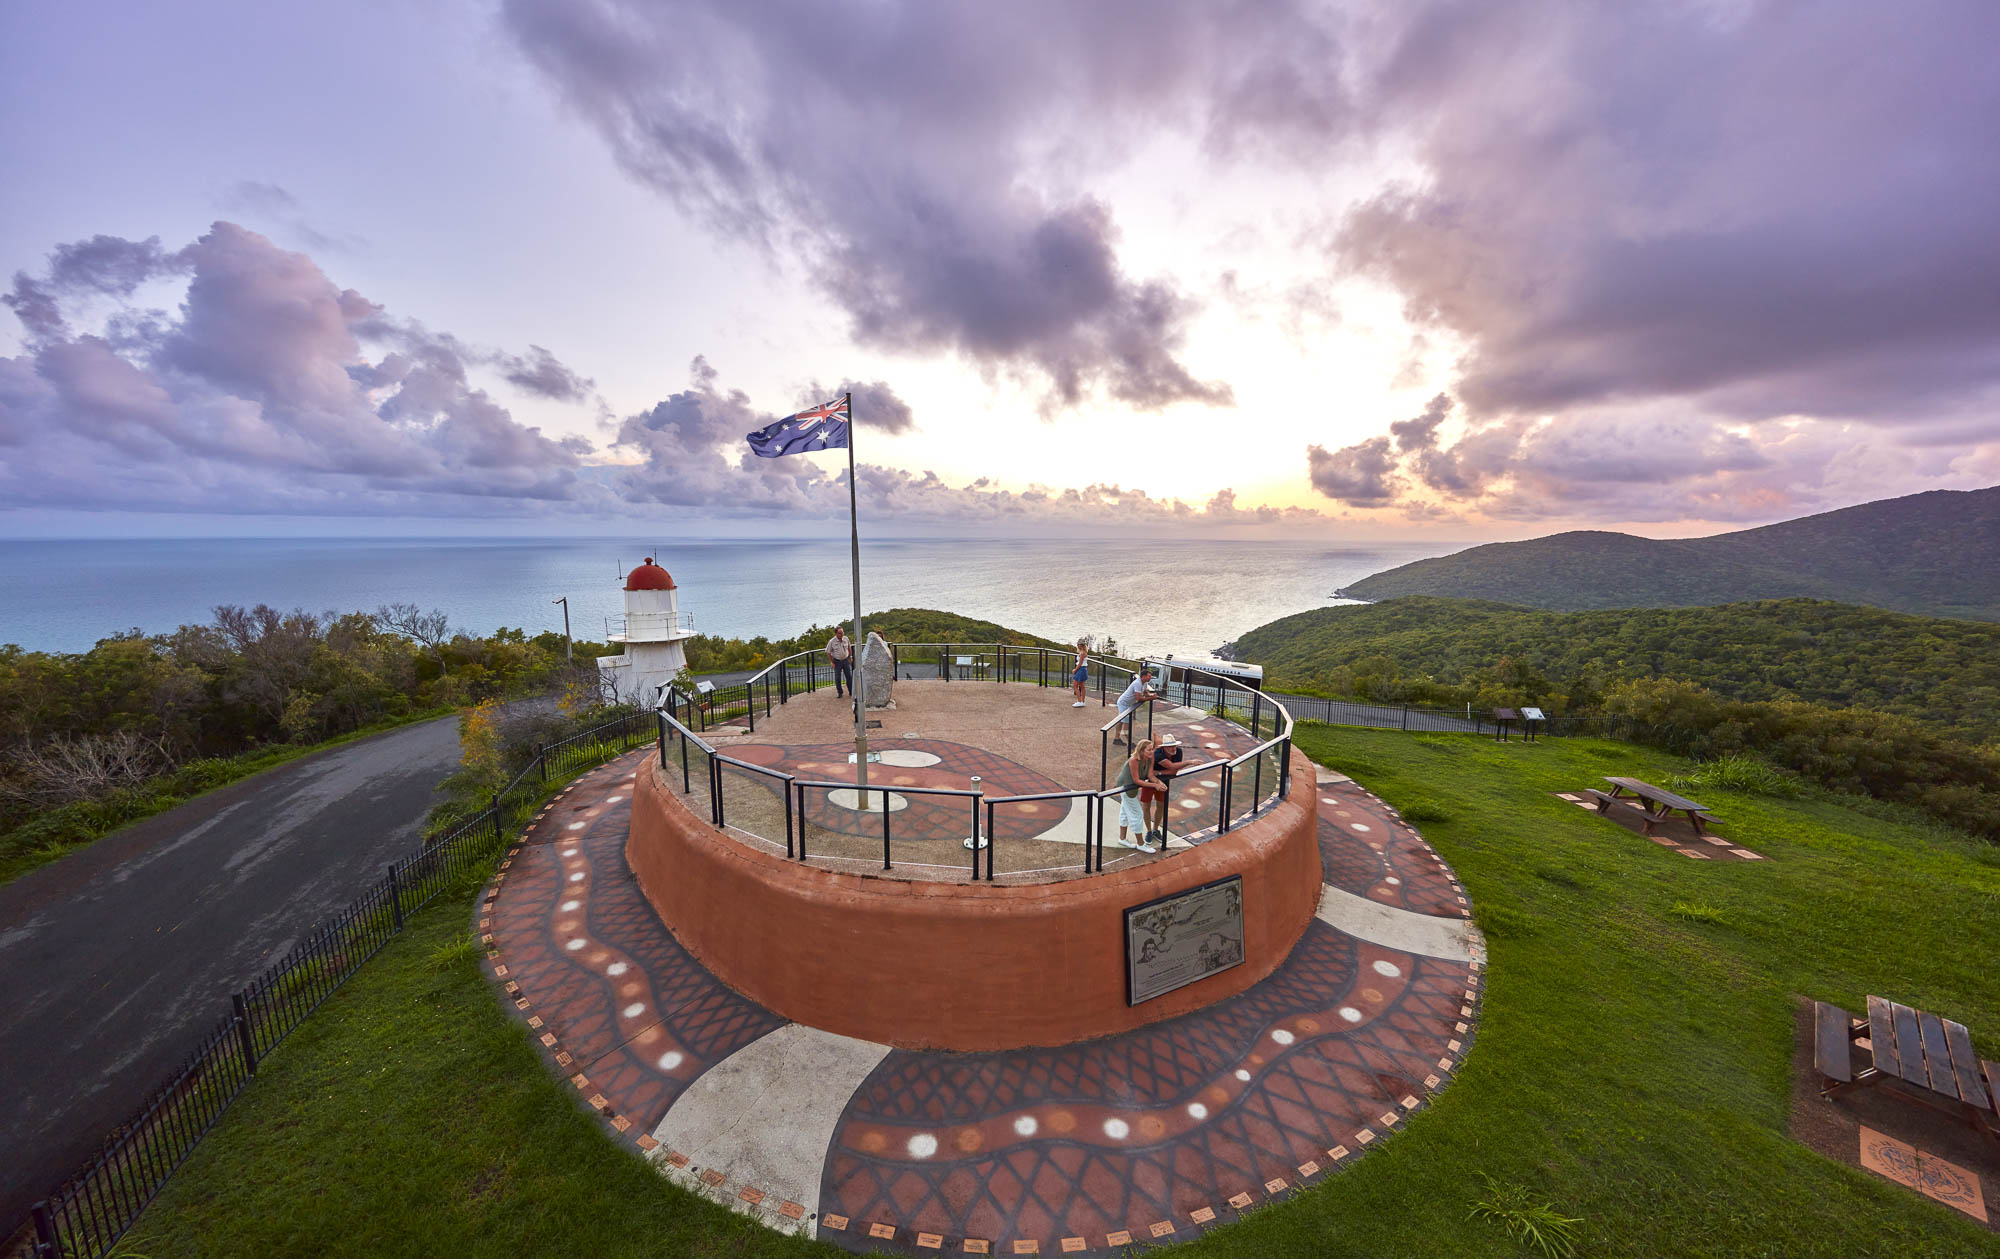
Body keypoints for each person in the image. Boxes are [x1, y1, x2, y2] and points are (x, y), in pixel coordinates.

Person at [1112, 737, 1165, 852]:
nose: (1152, 751)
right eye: (1149, 750)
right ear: (1141, 751)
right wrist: (1155, 786)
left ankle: (1122, 838)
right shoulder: (1134, 760)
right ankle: (1141, 844)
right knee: (1137, 814)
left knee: (1125, 812)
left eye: (1152, 749)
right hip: (1126, 787)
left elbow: (1150, 775)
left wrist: (1158, 782)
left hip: (1132, 788)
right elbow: (1136, 780)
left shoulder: (1150, 758)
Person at [1146, 735, 1185, 842]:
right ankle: (1149, 831)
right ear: (1164, 748)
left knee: (1161, 805)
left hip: (1163, 781)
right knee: (1146, 807)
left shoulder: (1179, 752)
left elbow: (1174, 771)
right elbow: (1172, 767)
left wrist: (1159, 773)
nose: (1173, 749)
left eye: (1174, 746)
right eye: (1170, 747)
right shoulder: (1157, 754)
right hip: (1149, 780)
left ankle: (1155, 830)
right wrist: (1190, 762)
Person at [1112, 666, 1159, 747]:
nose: (1150, 678)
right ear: (1143, 676)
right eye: (1149, 676)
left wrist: (1150, 695)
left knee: (1121, 721)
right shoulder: (1137, 683)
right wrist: (1152, 697)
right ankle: (1130, 743)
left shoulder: (1144, 683)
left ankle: (1117, 738)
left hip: (1127, 704)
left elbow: (1145, 692)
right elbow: (1139, 698)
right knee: (1126, 723)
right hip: (1124, 704)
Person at [827, 626, 854, 698]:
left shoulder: (846, 638)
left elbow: (849, 647)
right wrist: (832, 662)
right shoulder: (832, 641)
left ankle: (851, 691)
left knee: (849, 677)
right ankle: (840, 693)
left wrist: (851, 657)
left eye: (842, 632)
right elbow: (828, 652)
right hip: (837, 661)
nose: (842, 634)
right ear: (836, 633)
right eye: (840, 633)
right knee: (837, 678)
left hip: (845, 660)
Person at [1070, 640, 1090, 707]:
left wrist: (1075, 670)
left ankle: (1079, 701)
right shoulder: (1083, 652)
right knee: (1082, 686)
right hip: (1083, 670)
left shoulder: (1082, 653)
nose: (1077, 646)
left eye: (1078, 645)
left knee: (1075, 686)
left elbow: (1080, 663)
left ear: (1080, 646)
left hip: (1081, 670)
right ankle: (1082, 701)